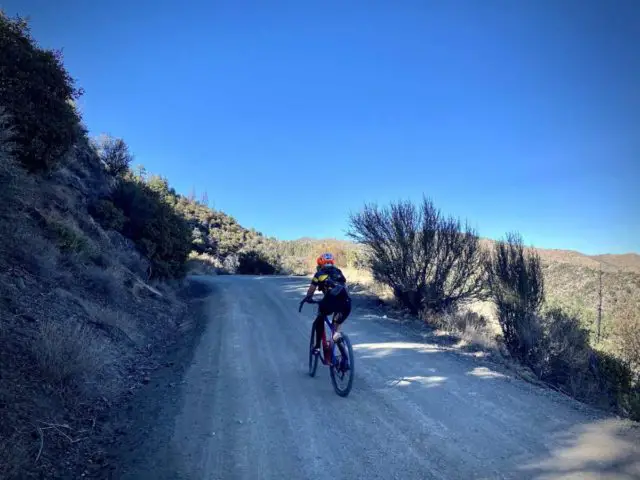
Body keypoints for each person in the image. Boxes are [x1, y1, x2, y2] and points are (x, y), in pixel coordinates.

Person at [301, 252, 352, 366]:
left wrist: (308, 298)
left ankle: (318, 348)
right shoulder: (339, 272)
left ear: (320, 264)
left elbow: (311, 290)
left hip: (330, 301)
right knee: (336, 329)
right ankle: (344, 357)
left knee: (320, 317)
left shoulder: (319, 273)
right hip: (346, 303)